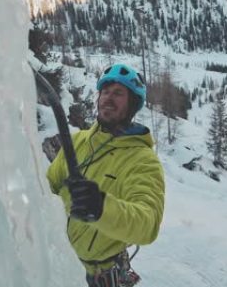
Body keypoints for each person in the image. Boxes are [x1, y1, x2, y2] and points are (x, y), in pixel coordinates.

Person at [46, 63, 165, 287]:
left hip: (98, 277)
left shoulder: (142, 160)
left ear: (133, 104)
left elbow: (147, 223)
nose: (108, 98)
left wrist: (101, 207)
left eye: (119, 93)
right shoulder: (77, 141)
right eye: (106, 91)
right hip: (56, 263)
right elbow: (46, 187)